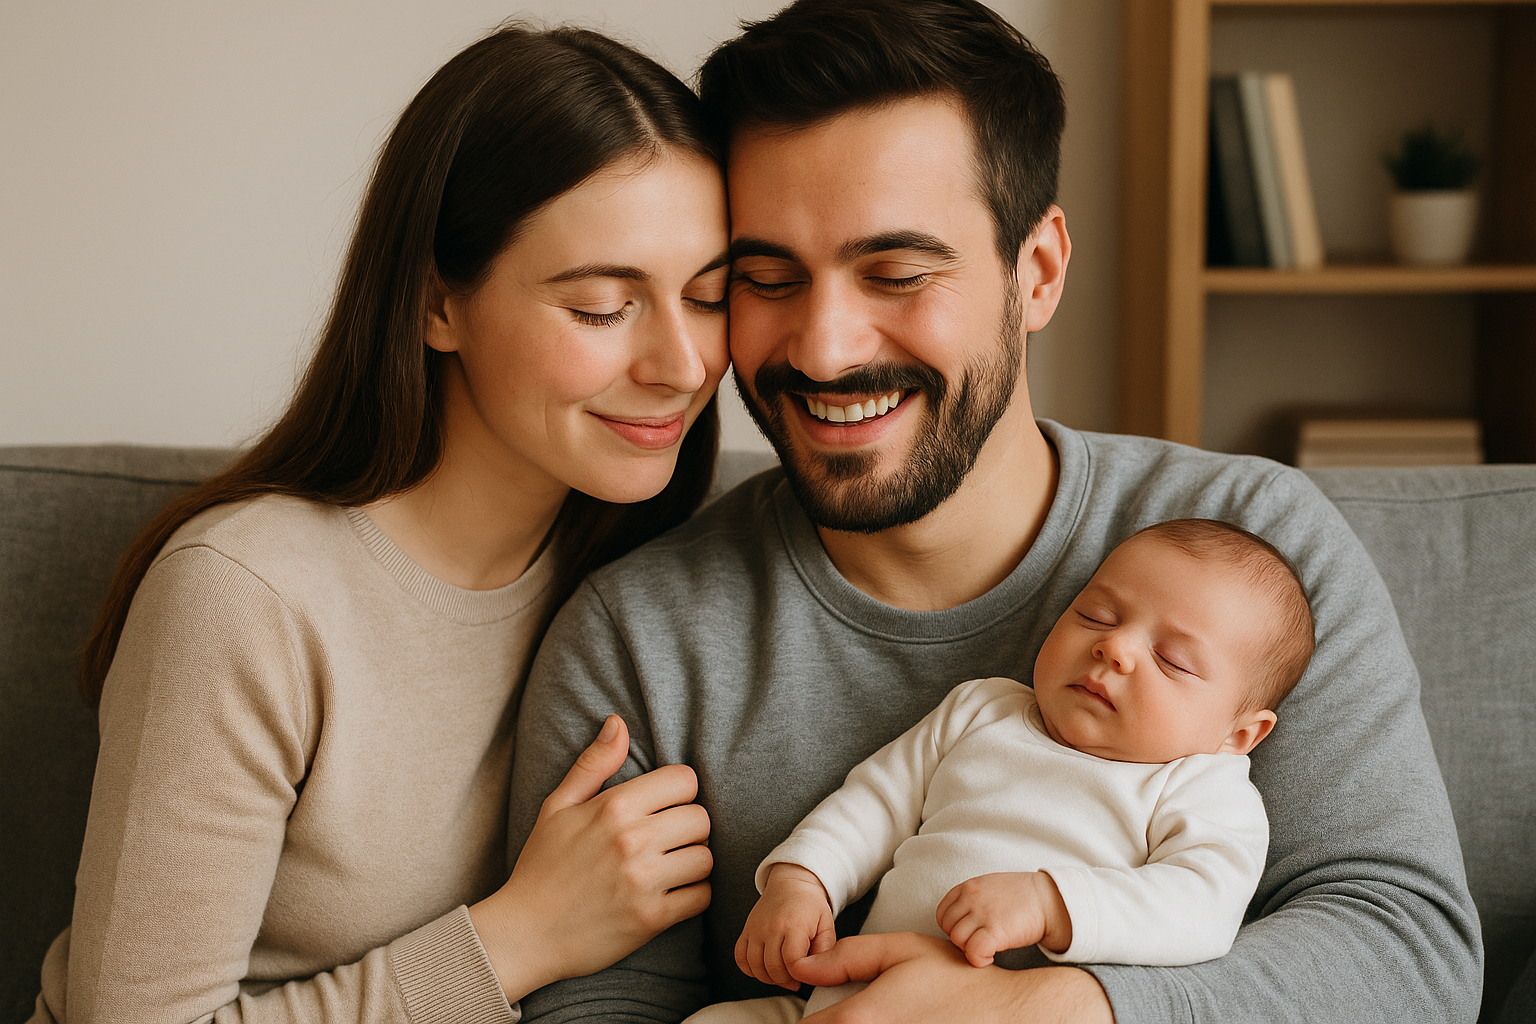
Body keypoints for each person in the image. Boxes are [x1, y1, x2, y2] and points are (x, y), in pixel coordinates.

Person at [507, 1, 1481, 1021]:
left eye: (896, 273)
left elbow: (1407, 953)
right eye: (767, 278)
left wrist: (1049, 1011)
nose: (825, 349)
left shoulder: (1257, 549)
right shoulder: (638, 640)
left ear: (1039, 270)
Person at [33, 23, 728, 1023]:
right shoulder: (246, 595)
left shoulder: (658, 579)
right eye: (601, 307)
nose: (684, 363)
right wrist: (519, 937)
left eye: (708, 297)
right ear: (437, 301)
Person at [694, 519, 1313, 1023]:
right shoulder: (982, 709)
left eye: (1173, 660)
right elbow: (876, 803)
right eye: (1096, 616)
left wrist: (1053, 901)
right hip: (842, 997)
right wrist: (803, 882)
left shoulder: (1199, 787)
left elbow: (1200, 906)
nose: (1114, 649)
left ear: (1239, 734)